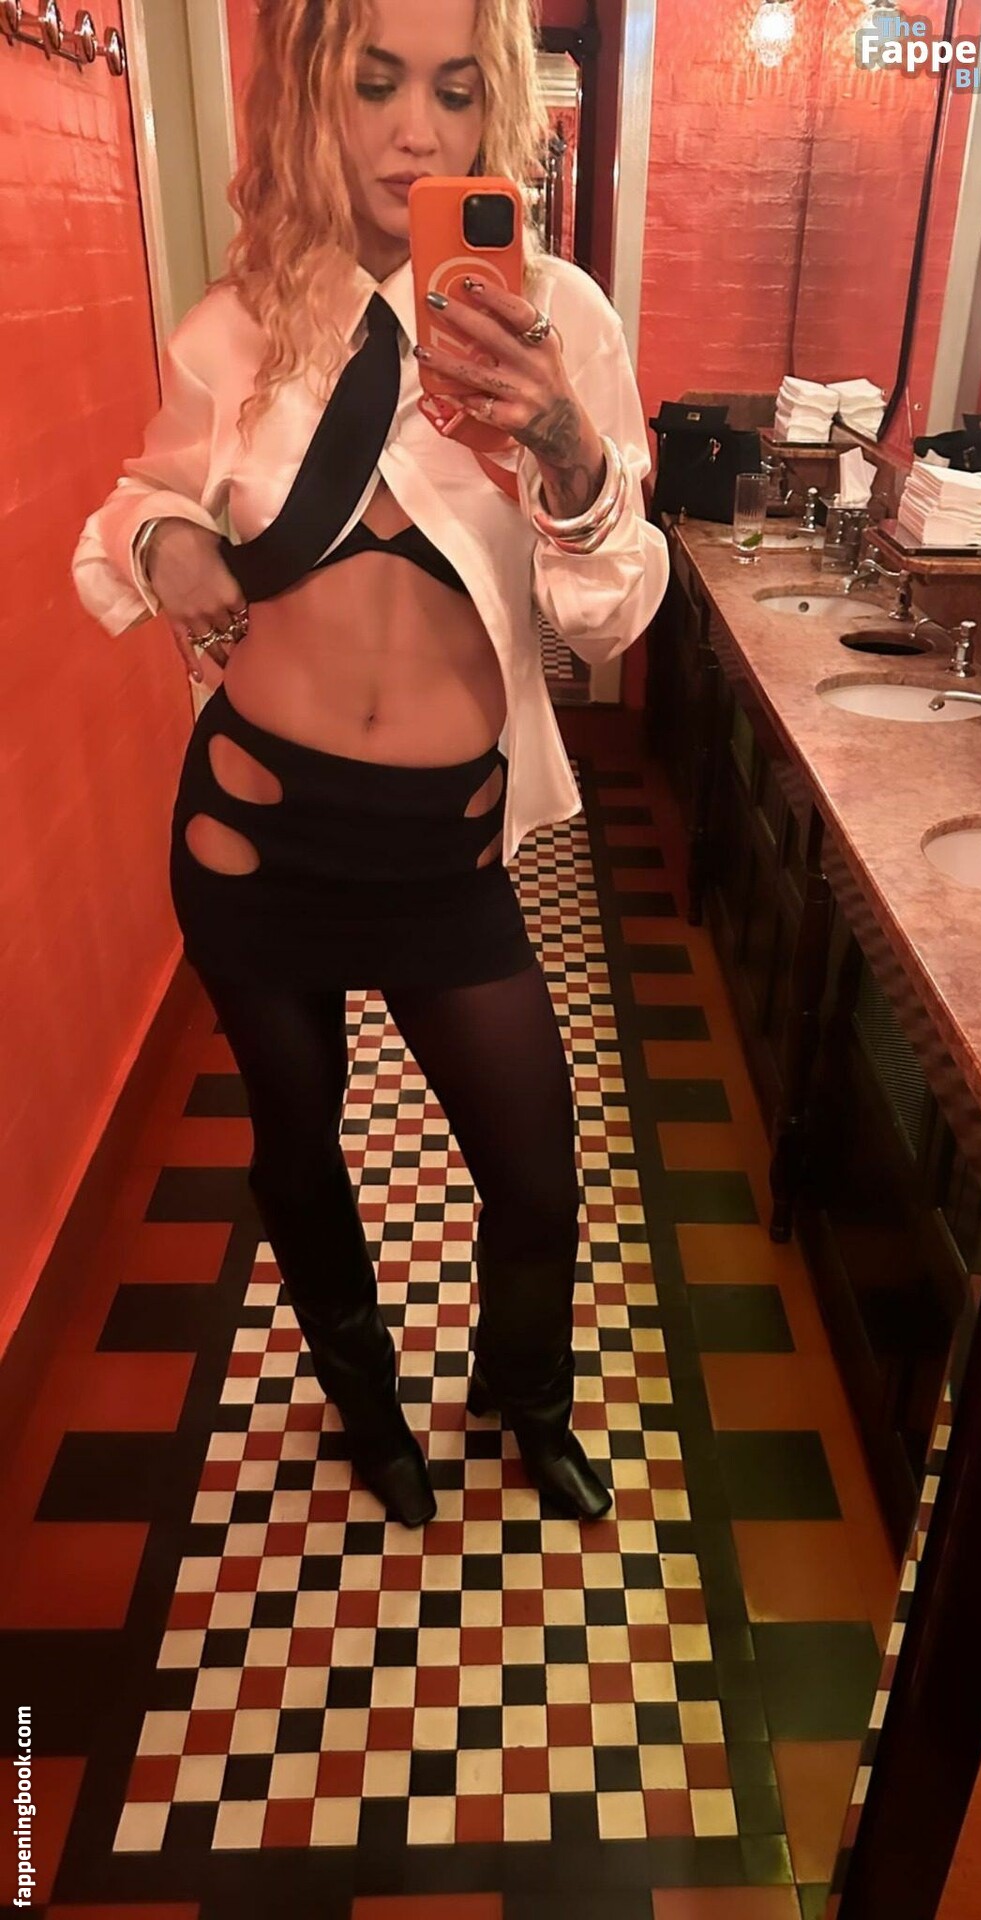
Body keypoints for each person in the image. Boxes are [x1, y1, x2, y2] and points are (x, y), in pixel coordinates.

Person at [72, 0, 669, 1531]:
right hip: (251, 839)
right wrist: (168, 537)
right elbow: (131, 504)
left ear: (495, 110)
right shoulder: (244, 324)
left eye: (455, 91)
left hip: (445, 854)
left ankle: (526, 1397)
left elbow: (609, 617)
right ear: (311, 107)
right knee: (299, 1139)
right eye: (375, 85)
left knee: (537, 1177)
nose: (415, 129)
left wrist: (566, 446)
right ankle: (363, 1401)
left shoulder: (561, 319)